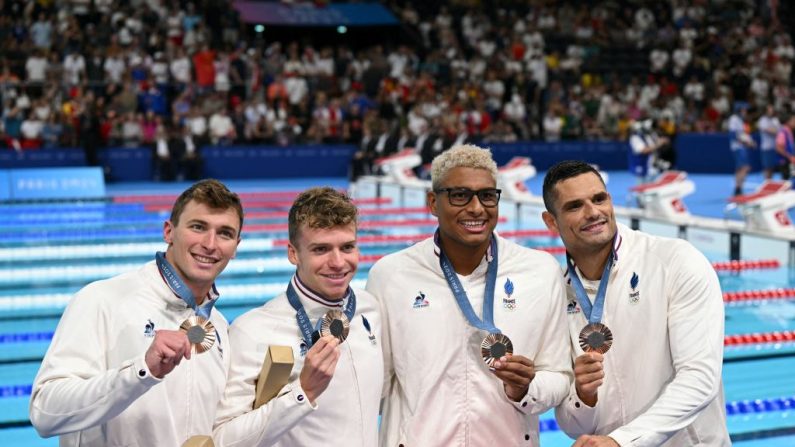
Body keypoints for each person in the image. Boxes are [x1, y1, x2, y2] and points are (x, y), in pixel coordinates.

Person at [367, 144, 572, 446]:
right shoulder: (391, 275)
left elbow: (559, 376)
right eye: (460, 195)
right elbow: (374, 385)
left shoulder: (540, 271)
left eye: (487, 196)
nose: (476, 208)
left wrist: (527, 388)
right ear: (433, 202)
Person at [29, 179, 244, 446]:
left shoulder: (219, 326)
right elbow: (45, 412)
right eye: (198, 227)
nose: (210, 244)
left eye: (224, 233)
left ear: (236, 246)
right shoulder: (101, 300)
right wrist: (141, 371)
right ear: (169, 231)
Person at [541, 160, 729, 446]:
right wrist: (584, 396)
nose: (593, 213)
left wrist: (622, 441)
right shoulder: (557, 295)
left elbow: (700, 378)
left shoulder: (675, 262)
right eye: (575, 206)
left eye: (599, 199)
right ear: (551, 221)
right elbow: (571, 425)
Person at [213, 187, 382, 446]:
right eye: (321, 249)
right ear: (293, 253)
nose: (338, 262)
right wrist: (302, 392)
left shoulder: (370, 310)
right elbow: (222, 439)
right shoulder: (253, 330)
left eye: (347, 247)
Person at [728, 105, 756, 195]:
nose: (745, 112)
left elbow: (742, 134)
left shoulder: (740, 121)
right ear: (738, 110)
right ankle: (739, 189)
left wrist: (750, 142)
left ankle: (738, 189)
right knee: (745, 167)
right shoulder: (734, 119)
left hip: (741, 147)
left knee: (740, 168)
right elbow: (733, 135)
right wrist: (747, 143)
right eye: (743, 110)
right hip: (738, 148)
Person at [757, 104, 782, 180]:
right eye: (769, 110)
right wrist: (775, 130)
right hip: (766, 148)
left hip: (774, 147)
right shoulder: (762, 120)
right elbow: (770, 131)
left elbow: (779, 131)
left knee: (772, 167)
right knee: (767, 167)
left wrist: (775, 130)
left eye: (772, 110)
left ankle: (770, 181)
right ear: (765, 111)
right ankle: (766, 181)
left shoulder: (775, 120)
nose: (771, 111)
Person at [775, 109, 795, 182]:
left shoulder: (789, 131)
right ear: (788, 122)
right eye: (793, 120)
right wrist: (790, 157)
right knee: (786, 182)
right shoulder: (783, 132)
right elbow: (778, 148)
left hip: (789, 161)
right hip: (785, 162)